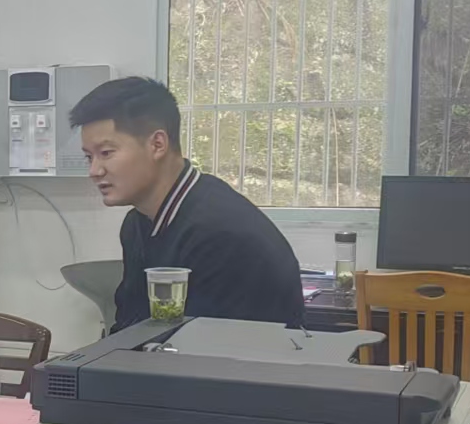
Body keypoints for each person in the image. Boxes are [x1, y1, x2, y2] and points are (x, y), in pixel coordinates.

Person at [68, 76, 304, 331]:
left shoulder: (221, 232)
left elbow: (205, 345)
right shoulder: (138, 222)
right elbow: (131, 324)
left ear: (157, 144)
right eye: (88, 157)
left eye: (106, 153)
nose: (94, 171)